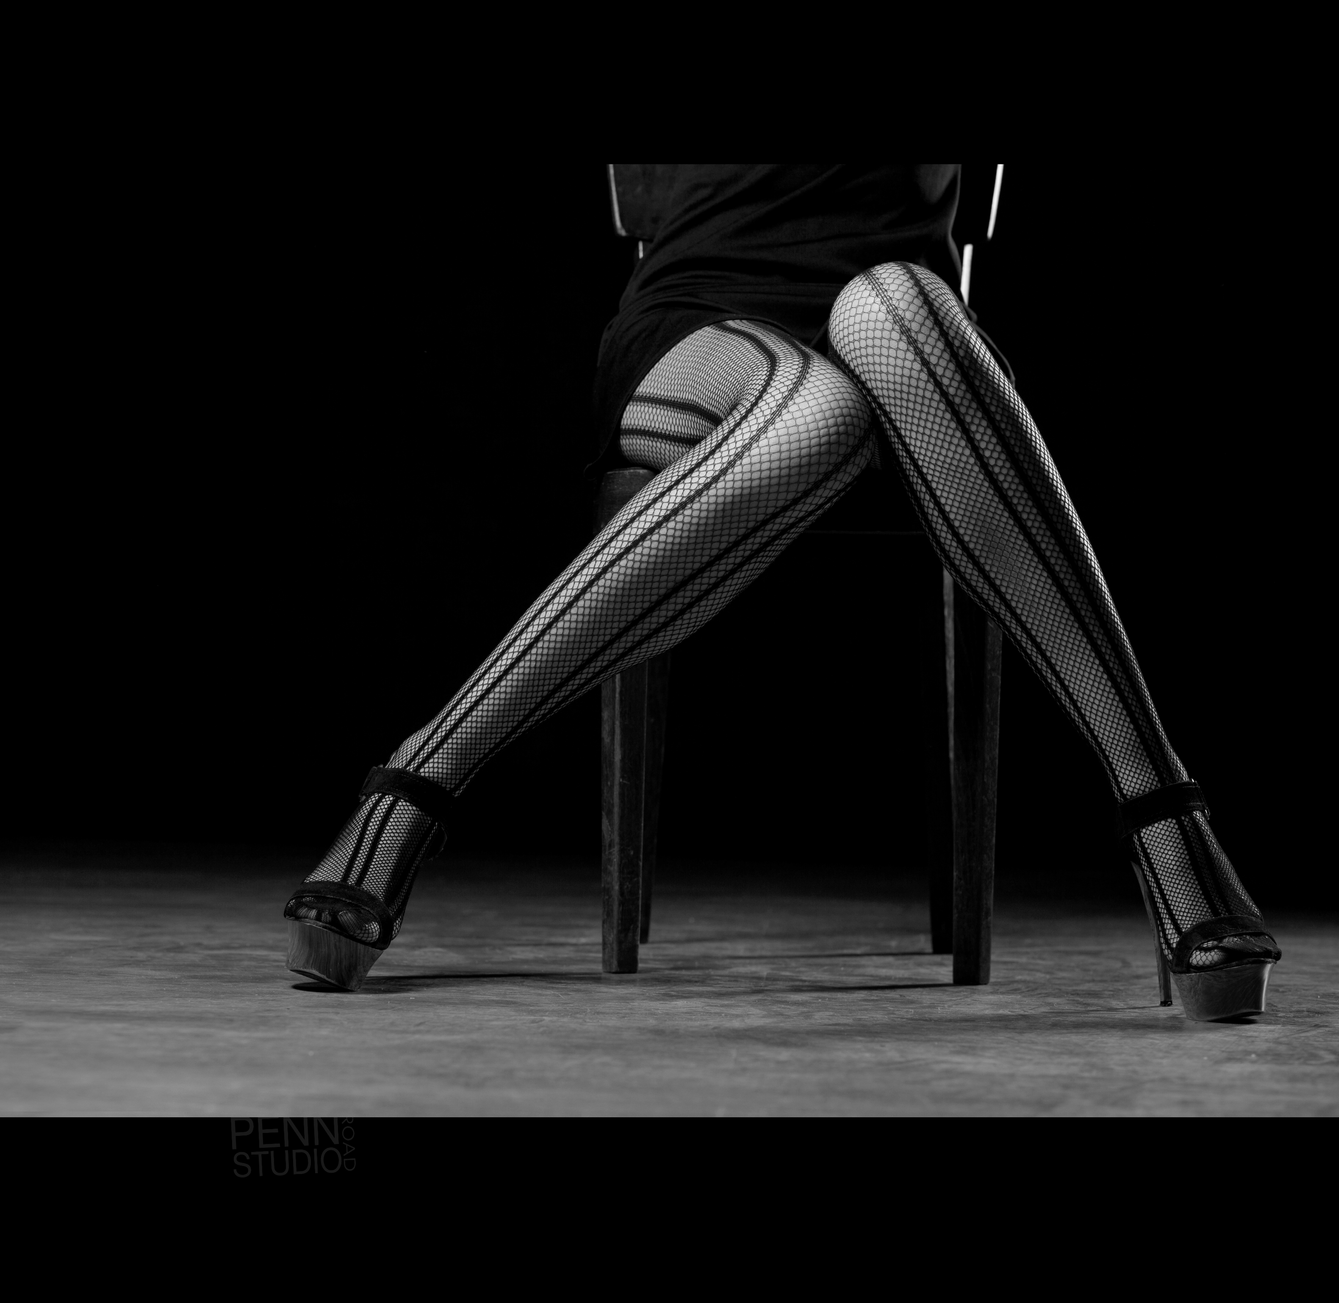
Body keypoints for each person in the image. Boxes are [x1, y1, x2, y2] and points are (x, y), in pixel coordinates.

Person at [282, 164, 1281, 1021]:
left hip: (906, 330)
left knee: (897, 304)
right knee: (818, 413)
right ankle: (424, 773)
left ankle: (1158, 805)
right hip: (706, 322)